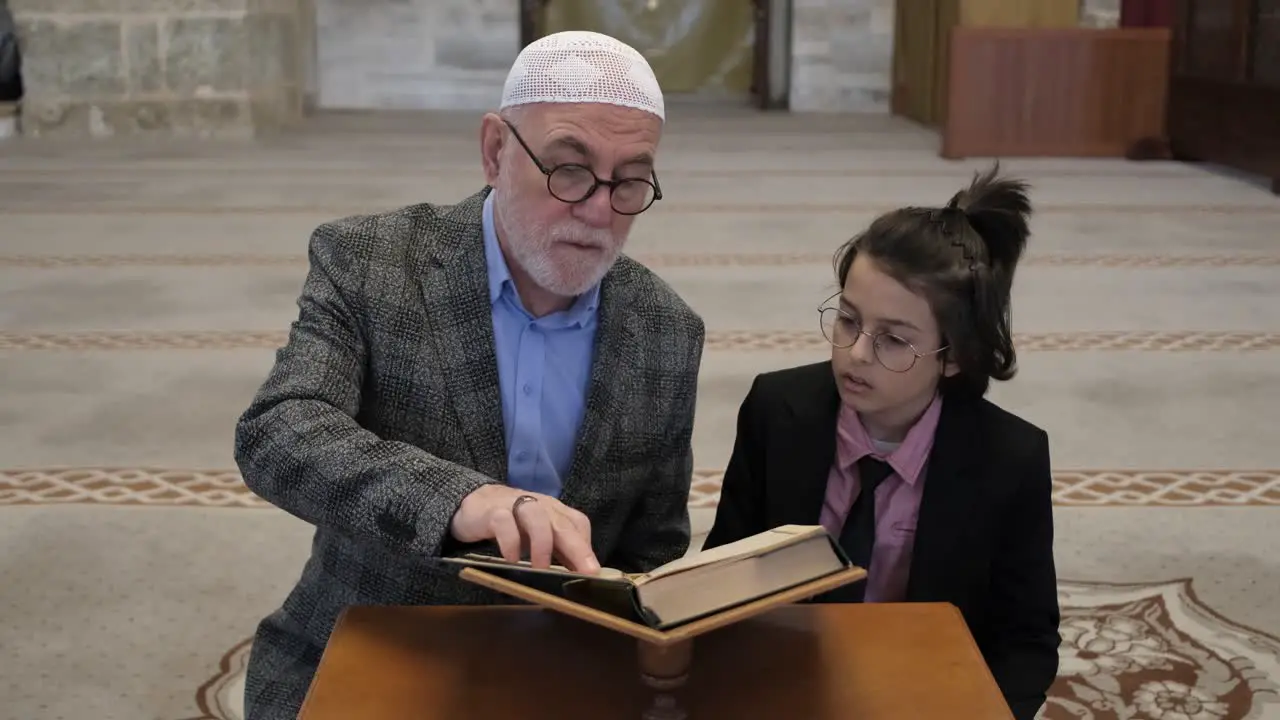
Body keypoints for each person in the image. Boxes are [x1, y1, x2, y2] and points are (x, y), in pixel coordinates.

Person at [233, 30, 705, 720]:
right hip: (375, 644)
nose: (600, 209)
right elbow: (279, 432)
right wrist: (465, 500)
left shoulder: (666, 329)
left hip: (567, 667)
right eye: (568, 168)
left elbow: (650, 547)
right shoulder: (369, 263)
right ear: (495, 151)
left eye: (630, 179)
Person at [703, 165, 1060, 720]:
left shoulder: (1009, 459)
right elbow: (726, 574)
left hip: (925, 692)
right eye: (848, 320)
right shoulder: (778, 412)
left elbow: (1026, 640)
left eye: (894, 340)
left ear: (955, 357)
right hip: (784, 684)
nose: (857, 353)